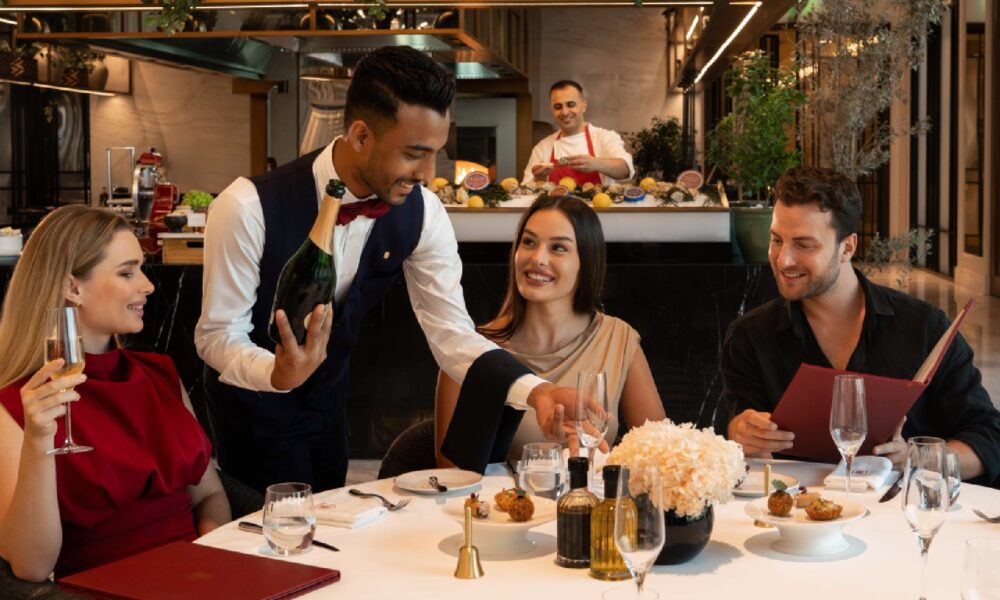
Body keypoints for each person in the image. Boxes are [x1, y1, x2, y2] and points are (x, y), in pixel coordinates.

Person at [196, 46, 582, 494]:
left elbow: (452, 335)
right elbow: (216, 335)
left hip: (327, 407)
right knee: (263, 544)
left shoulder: (424, 214)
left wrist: (536, 392)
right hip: (250, 412)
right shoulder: (245, 206)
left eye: (435, 152)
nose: (427, 172)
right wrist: (276, 373)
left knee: (328, 536)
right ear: (361, 135)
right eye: (414, 153)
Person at [722, 167, 1000, 485]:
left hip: (901, 522)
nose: (784, 259)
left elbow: (989, 441)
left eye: (804, 245)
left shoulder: (924, 329)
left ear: (848, 247)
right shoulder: (749, 337)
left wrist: (914, 458)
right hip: (796, 523)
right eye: (777, 240)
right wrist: (740, 433)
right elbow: (729, 442)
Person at [0, 206, 229, 581]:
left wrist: (211, 561)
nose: (148, 285)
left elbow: (209, 495)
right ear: (74, 287)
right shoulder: (16, 408)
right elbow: (32, 565)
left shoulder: (160, 374)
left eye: (141, 268)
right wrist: (40, 440)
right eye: (127, 272)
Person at [435, 196, 664, 465]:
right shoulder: (470, 350)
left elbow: (660, 452)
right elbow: (452, 478)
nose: (537, 258)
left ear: (586, 262)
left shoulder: (618, 338)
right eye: (529, 242)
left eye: (558, 248)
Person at [522, 80, 635, 188]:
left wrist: (596, 164)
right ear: (552, 110)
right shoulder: (543, 147)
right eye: (558, 107)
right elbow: (525, 191)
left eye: (570, 105)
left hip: (596, 208)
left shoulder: (605, 137)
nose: (565, 112)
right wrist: (539, 179)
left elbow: (625, 170)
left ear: (583, 106)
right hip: (556, 208)